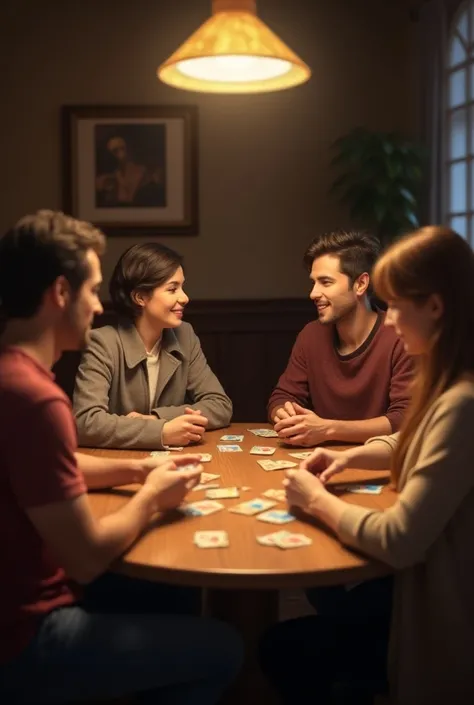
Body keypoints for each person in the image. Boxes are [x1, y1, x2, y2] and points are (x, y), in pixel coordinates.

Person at [0, 210, 243, 705]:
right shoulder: (34, 397)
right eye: (90, 289)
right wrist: (152, 496)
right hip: (26, 636)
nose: (96, 306)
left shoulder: (15, 378)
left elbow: (50, 463)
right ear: (60, 294)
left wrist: (137, 465)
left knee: (170, 600)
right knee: (225, 647)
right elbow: (86, 560)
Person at [260, 226, 474, 705]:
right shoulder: (450, 386)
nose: (391, 320)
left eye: (397, 305)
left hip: (439, 615)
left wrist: (315, 501)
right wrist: (349, 455)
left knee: (281, 648)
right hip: (417, 588)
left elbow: (398, 538)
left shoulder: (461, 403)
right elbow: (408, 440)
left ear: (435, 308)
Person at [73, 242, 232, 450]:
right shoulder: (102, 343)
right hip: (117, 464)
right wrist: (162, 432)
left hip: (172, 465)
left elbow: (220, 405)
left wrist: (157, 417)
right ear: (140, 297)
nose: (184, 298)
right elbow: (85, 422)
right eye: (172, 289)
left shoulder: (185, 335)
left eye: (182, 287)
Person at [268, 229, 413, 446]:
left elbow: (404, 419)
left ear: (361, 284)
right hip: (321, 461)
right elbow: (281, 397)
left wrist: (327, 429)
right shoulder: (311, 335)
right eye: (313, 282)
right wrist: (286, 414)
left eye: (325, 282)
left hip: (381, 463)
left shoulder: (400, 336)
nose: (313, 293)